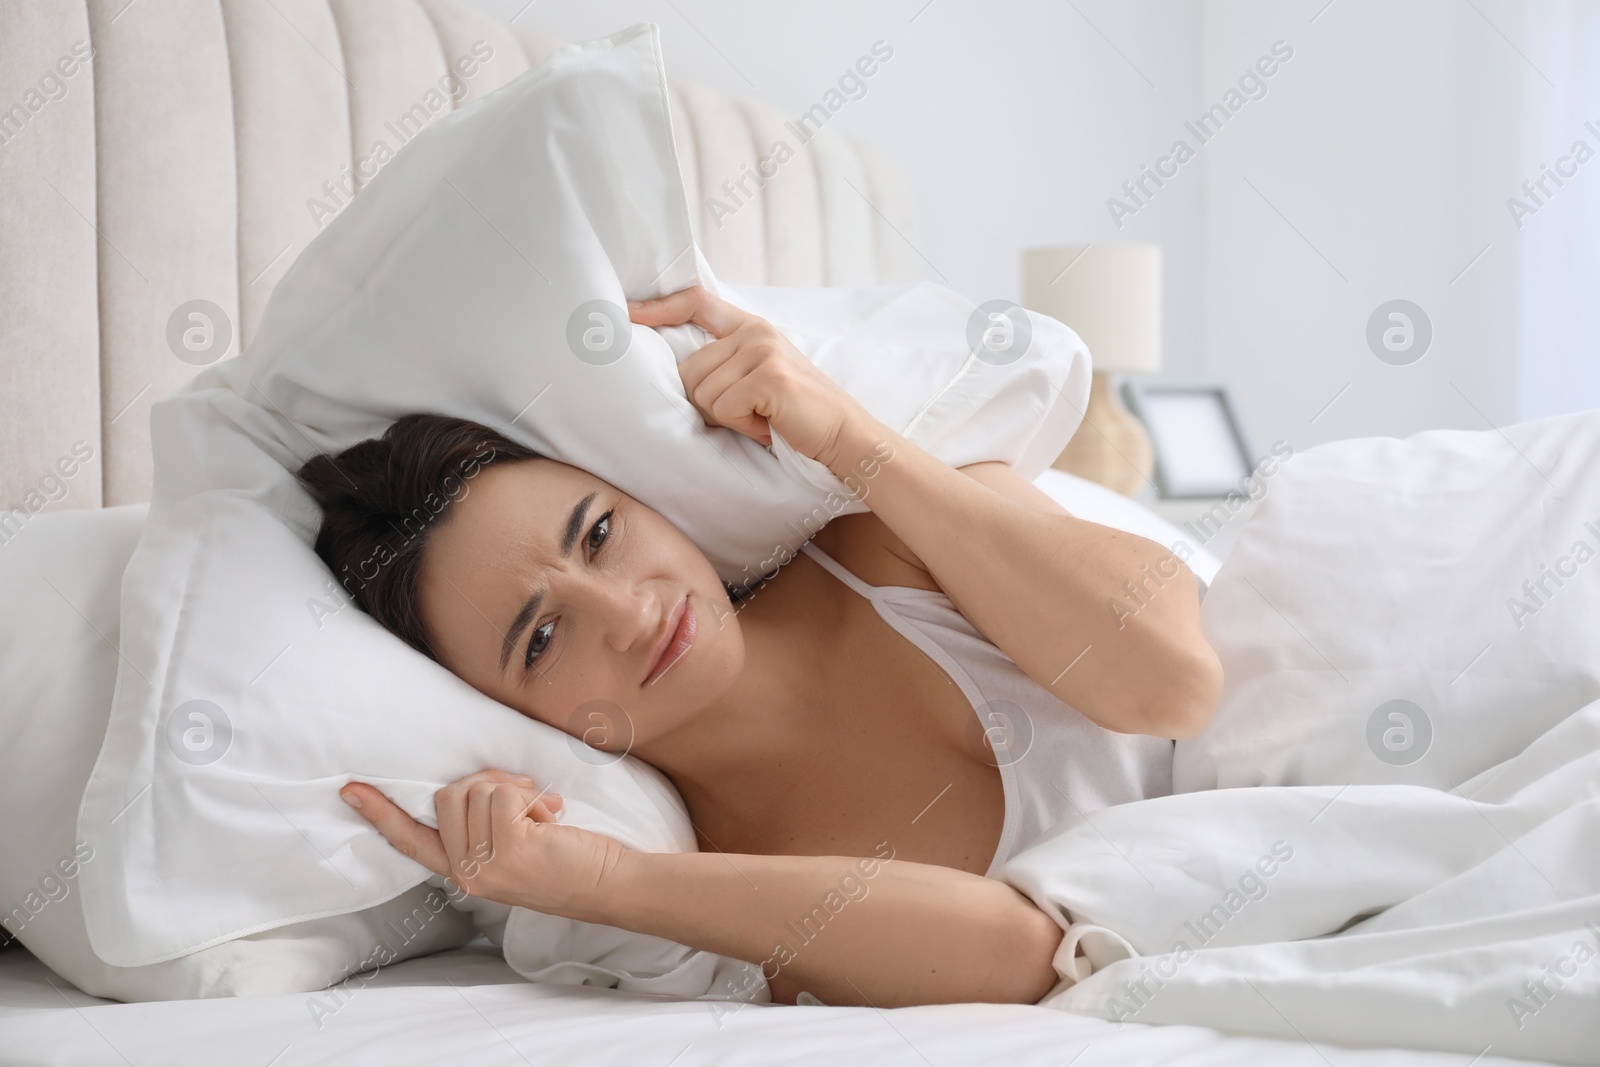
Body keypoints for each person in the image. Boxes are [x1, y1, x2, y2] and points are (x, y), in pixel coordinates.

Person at [296, 284, 1223, 1008]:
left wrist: (850, 436)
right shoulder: (717, 877)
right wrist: (609, 881)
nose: (630, 613)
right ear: (498, 709)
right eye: (540, 637)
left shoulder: (887, 537)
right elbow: (1024, 958)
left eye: (602, 534)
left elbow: (1171, 679)